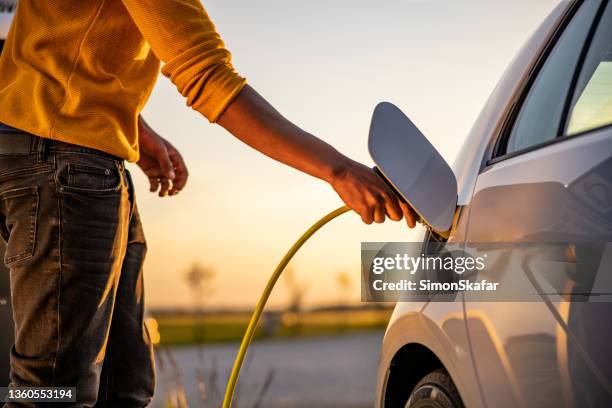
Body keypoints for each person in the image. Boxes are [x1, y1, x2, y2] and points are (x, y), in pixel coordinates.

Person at [0, 1, 416, 406]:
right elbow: (207, 76)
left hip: (71, 155)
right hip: (62, 165)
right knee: (52, 392)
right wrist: (339, 171)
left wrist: (133, 127)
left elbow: (62, 44)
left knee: (122, 385)